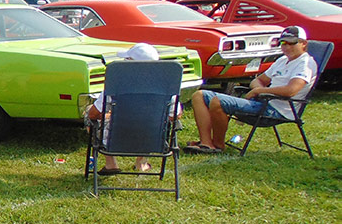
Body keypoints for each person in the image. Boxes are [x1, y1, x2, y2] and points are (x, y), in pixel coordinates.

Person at [184, 26, 316, 153]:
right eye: (283, 42)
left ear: (303, 43)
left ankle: (218, 145)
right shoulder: (282, 60)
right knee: (199, 95)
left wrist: (259, 91)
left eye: (291, 43)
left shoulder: (305, 64)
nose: (286, 46)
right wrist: (259, 91)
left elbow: (291, 90)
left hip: (275, 111)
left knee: (217, 101)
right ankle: (206, 142)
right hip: (263, 102)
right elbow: (257, 80)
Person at [86, 43, 180, 175]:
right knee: (152, 124)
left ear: (131, 64)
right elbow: (175, 115)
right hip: (153, 138)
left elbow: (93, 114)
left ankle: (111, 163)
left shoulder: (116, 84)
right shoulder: (167, 88)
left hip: (117, 137)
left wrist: (113, 116)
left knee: (89, 113)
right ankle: (141, 163)